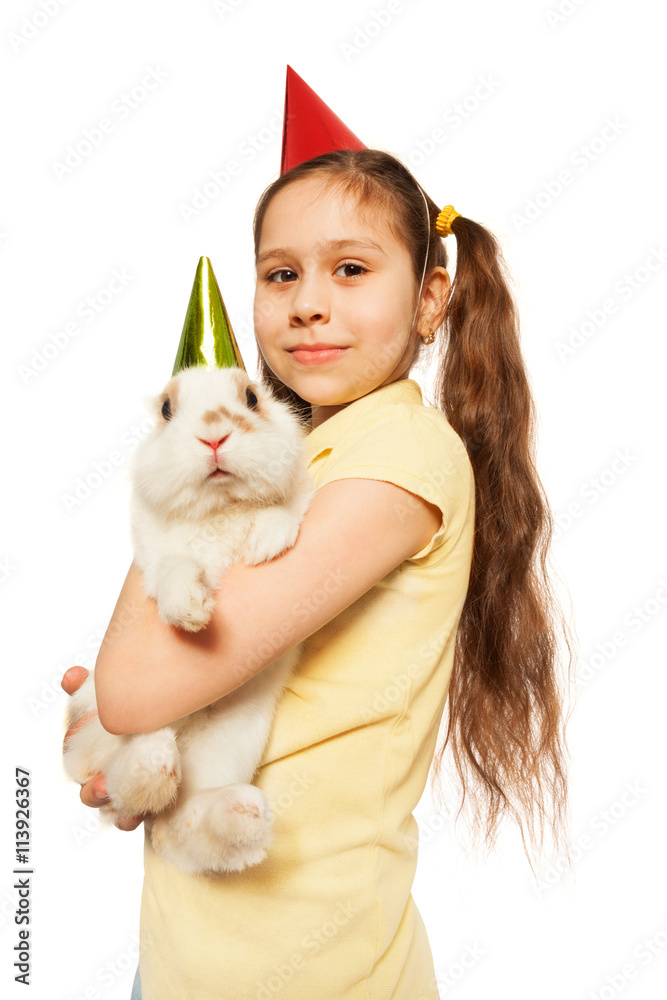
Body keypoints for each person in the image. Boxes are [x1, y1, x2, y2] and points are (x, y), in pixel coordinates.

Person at [62, 142, 574, 998]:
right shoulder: (307, 454)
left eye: (349, 269)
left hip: (308, 963)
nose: (308, 305)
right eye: (279, 275)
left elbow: (134, 687)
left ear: (430, 300)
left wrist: (177, 483)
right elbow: (148, 699)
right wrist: (133, 752)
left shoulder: (397, 453)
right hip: (194, 946)